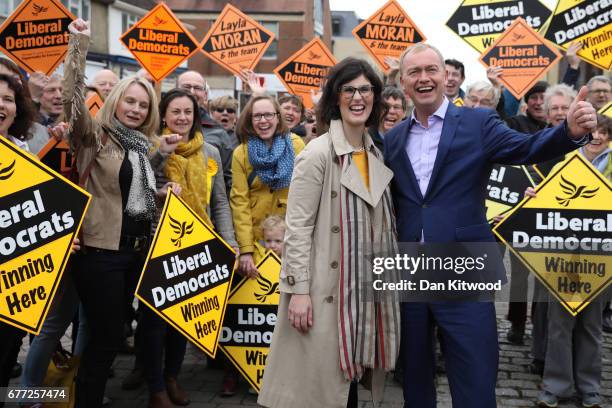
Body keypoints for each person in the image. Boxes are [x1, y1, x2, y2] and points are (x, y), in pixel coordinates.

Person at [384, 43, 596, 408]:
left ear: (444, 76)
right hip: (410, 269)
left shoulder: (477, 122)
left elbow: (527, 147)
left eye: (431, 70)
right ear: (403, 82)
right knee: (415, 374)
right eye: (414, 72)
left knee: (475, 371)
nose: (424, 78)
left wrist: (568, 132)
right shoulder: (392, 138)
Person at [258, 57, 400, 408]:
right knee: (321, 393)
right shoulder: (317, 153)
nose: (357, 97)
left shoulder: (375, 154)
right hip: (325, 291)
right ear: (335, 98)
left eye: (365, 89)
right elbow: (298, 228)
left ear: (376, 97)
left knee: (347, 386)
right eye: (348, 89)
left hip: (362, 292)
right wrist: (298, 291)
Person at [63, 19, 180, 408]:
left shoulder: (141, 146)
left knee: (126, 329)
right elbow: (73, 99)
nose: (136, 108)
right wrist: (78, 44)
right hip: (100, 253)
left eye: (143, 104)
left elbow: (132, 196)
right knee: (108, 336)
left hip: (136, 251)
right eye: (130, 101)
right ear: (116, 102)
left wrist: (162, 194)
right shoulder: (93, 136)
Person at [141, 88, 237, 408]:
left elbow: (219, 202)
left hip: (198, 242)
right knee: (154, 322)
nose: (182, 118)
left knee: (183, 317)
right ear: (163, 116)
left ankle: (172, 376)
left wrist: (230, 244)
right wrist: (162, 172)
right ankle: (155, 387)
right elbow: (140, 189)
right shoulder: (151, 147)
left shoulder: (209, 151)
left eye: (188, 113)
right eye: (176, 112)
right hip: (159, 243)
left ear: (196, 117)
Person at [535, 114, 610, 408]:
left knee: (591, 326)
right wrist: (535, 197)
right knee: (559, 325)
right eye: (593, 131)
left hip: (600, 262)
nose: (598, 137)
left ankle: (590, 388)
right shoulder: (563, 164)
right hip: (562, 260)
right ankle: (556, 386)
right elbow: (544, 203)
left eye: (604, 132)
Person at [230, 94, 305, 280]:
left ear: (278, 117)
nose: (263, 121)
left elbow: (307, 196)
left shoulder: (296, 146)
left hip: (291, 242)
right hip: (258, 243)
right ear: (250, 119)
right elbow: (240, 203)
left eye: (268, 115)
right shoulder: (241, 153)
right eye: (257, 116)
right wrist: (246, 250)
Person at [0, 73, 39, 405]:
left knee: (7, 350)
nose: (2, 104)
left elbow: (36, 208)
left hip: (15, 277)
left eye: (8, 99)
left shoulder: (22, 150)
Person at [177, 70, 234, 192]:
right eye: (186, 87)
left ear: (205, 95)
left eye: (197, 88)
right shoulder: (158, 127)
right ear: (175, 90)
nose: (192, 92)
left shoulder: (219, 133)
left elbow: (227, 182)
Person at [371, 86, 407, 151]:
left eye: (396, 107)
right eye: (385, 107)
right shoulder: (365, 140)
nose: (391, 111)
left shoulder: (411, 141)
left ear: (404, 113)